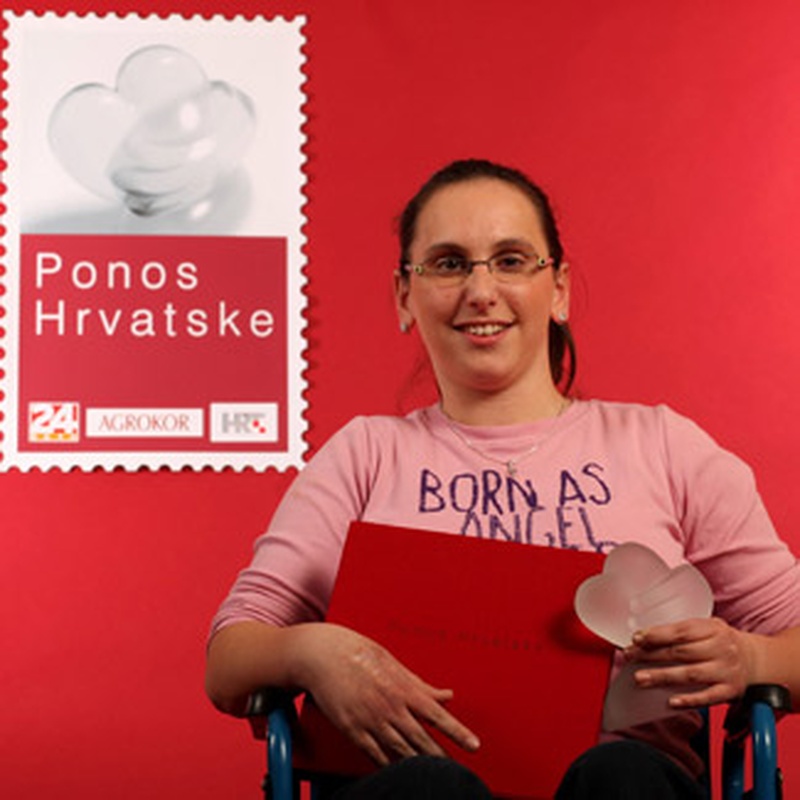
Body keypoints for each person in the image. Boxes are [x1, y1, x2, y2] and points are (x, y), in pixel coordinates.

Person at [206, 158, 800, 798]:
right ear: (404, 295)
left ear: (559, 288)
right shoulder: (364, 456)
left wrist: (752, 658)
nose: (481, 291)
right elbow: (230, 660)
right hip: (407, 785)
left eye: (511, 260)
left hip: (627, 784)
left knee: (619, 776)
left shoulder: (663, 446)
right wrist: (310, 652)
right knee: (429, 788)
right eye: (448, 263)